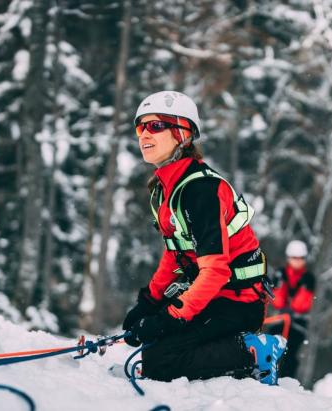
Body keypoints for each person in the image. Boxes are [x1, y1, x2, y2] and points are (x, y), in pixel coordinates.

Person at [121, 91, 287, 385]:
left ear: (182, 133)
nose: (145, 133)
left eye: (156, 126)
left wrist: (170, 316)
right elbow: (176, 254)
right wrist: (148, 302)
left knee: (160, 362)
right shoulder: (165, 188)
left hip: (238, 300)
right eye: (140, 126)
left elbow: (216, 271)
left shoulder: (201, 191)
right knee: (153, 340)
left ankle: (255, 352)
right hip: (212, 295)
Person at [269, 240, 315, 378]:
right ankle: (267, 376)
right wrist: (282, 306)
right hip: (279, 319)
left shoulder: (308, 278)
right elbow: (275, 297)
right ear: (288, 258)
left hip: (297, 323)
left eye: (301, 259)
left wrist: (293, 309)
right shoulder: (280, 274)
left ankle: (287, 381)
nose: (297, 261)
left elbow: (304, 301)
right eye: (294, 258)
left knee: (290, 354)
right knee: (272, 349)